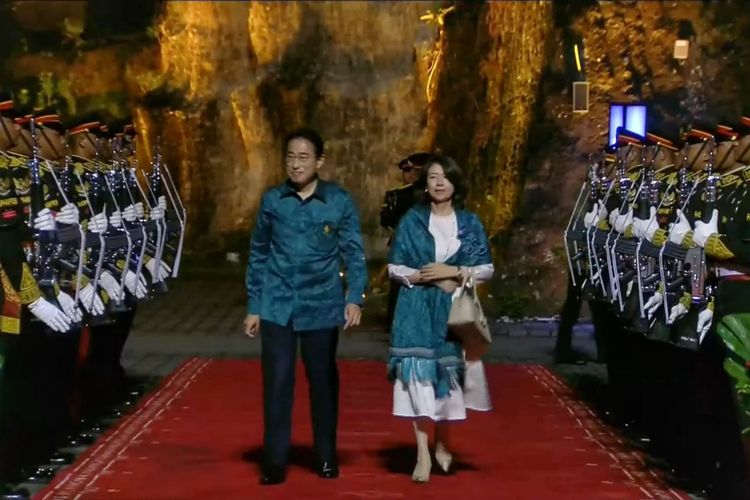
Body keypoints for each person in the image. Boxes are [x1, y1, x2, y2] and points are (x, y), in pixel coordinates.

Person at [244, 127, 368, 485]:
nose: (295, 164)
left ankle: (326, 456)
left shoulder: (338, 201)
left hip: (322, 304)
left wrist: (354, 298)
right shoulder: (272, 200)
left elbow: (354, 254)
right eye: (290, 157)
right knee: (277, 382)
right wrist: (255, 304)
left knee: (323, 382)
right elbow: (258, 253)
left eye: (303, 157)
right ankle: (274, 461)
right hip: (277, 304)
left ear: (319, 161)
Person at [387, 155, 494, 482]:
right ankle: (422, 454)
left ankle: (443, 443)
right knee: (418, 380)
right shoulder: (411, 221)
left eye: (444, 177)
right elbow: (395, 267)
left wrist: (455, 272)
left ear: (455, 183)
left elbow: (486, 268)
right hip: (415, 310)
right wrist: (426, 277)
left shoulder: (469, 223)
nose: (438, 182)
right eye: (432, 177)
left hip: (451, 313)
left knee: (446, 382)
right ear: (425, 183)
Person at [380, 152, 431, 327]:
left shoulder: (415, 194)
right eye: (407, 170)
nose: (408, 174)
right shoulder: (399, 194)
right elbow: (386, 219)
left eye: (411, 170)